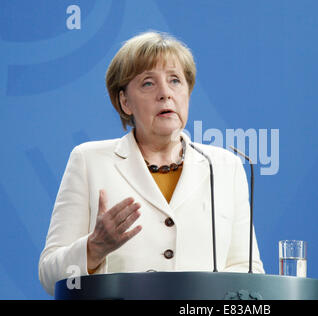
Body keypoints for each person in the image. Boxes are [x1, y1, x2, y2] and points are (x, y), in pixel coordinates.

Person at [38, 31, 264, 296]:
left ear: (188, 93)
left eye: (175, 81)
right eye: (148, 83)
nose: (165, 93)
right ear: (125, 102)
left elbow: (248, 272)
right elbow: (48, 274)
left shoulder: (226, 167)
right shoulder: (89, 161)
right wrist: (94, 247)